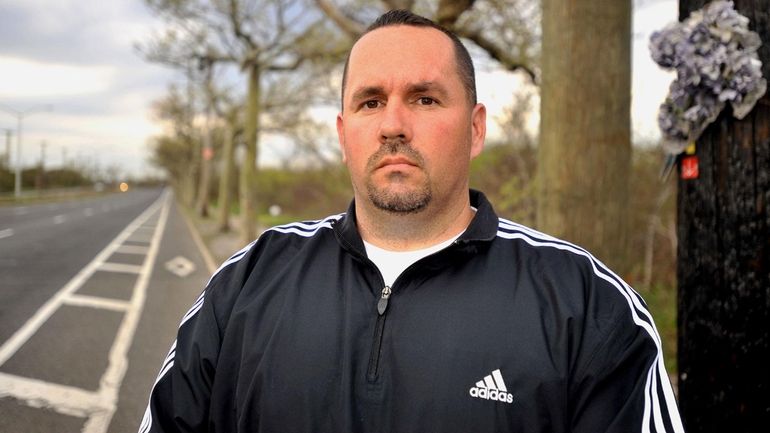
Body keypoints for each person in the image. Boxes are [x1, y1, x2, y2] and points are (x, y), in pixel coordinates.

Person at [139, 9, 685, 433]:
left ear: (475, 129)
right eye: (370, 103)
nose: (393, 125)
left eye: (424, 99)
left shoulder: (588, 305)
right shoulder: (246, 284)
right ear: (342, 132)